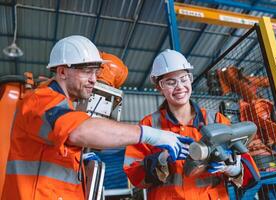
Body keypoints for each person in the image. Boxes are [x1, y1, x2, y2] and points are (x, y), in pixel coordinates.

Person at [1, 36, 193, 200]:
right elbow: (80, 130)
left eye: (96, 72)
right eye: (87, 71)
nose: (93, 79)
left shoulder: (64, 108)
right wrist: (150, 135)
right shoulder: (41, 100)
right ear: (62, 72)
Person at [123, 49, 260, 200]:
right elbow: (135, 177)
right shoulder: (149, 125)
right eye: (170, 82)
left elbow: (251, 174)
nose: (179, 86)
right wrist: (160, 159)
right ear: (159, 87)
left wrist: (232, 168)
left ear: (190, 79)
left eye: (184, 78)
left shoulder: (216, 120)